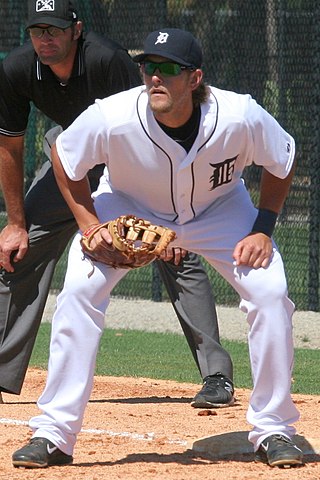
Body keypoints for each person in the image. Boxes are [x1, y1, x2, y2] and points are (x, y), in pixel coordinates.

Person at [12, 28, 304, 469]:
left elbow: (282, 159)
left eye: (168, 69)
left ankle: (275, 428)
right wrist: (90, 225)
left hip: (222, 211)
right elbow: (65, 157)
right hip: (128, 206)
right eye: (148, 66)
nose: (154, 78)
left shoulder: (239, 115)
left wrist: (263, 228)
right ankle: (54, 432)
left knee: (269, 291)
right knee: (79, 289)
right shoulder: (113, 116)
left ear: (195, 79)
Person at [0, 1, 234, 407]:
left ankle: (217, 376)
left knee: (172, 248)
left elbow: (148, 128)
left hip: (131, 161)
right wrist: (16, 222)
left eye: (54, 29)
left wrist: (170, 212)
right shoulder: (18, 68)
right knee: (19, 251)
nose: (46, 39)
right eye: (38, 30)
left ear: (76, 29)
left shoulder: (107, 60)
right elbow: (9, 146)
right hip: (68, 162)